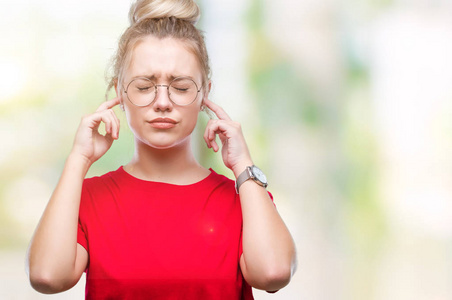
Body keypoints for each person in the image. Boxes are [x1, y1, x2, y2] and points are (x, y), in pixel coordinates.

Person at [26, 0, 297, 299]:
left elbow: (273, 274)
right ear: (120, 92)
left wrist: (243, 164)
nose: (163, 102)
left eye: (181, 87)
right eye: (144, 86)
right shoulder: (87, 198)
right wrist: (78, 159)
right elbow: (47, 277)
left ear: (204, 92)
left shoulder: (244, 198)